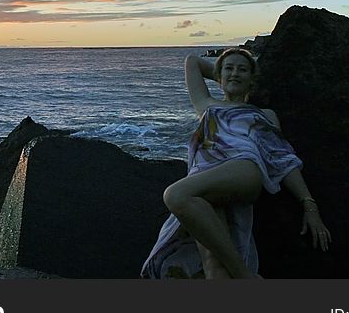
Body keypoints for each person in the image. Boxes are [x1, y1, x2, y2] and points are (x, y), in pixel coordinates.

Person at [141, 47, 331, 278]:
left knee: (175, 195)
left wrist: (309, 205)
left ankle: (245, 276)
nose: (235, 73)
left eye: (243, 70)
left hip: (242, 168)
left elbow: (282, 157)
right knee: (213, 267)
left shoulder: (264, 114)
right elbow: (192, 61)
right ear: (219, 76)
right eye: (229, 68)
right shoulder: (206, 105)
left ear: (253, 79)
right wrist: (225, 75)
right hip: (205, 180)